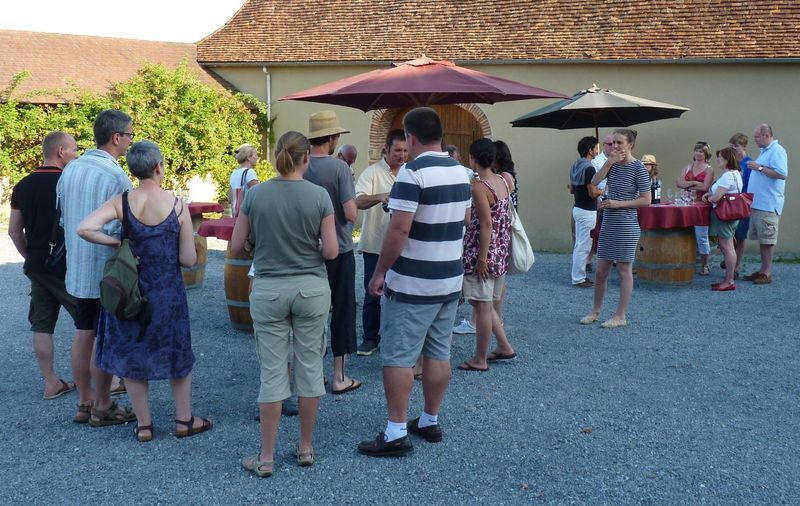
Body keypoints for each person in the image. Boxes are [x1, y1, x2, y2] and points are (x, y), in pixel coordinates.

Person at [77, 140, 210, 442]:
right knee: (176, 353)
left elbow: (84, 228)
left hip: (132, 291)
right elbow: (188, 259)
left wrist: (118, 244)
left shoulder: (122, 201)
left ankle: (145, 425)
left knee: (134, 352)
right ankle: (184, 420)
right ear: (159, 167)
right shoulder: (177, 205)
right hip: (168, 294)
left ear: (134, 170)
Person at [357, 107, 471, 457]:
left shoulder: (412, 172)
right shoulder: (461, 171)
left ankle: (394, 432)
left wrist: (379, 273)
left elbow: (400, 229)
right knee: (439, 351)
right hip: (448, 278)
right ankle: (429, 419)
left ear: (411, 137)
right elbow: (464, 218)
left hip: (412, 281)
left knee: (399, 355)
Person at [232, 131, 337, 477]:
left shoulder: (256, 194)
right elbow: (332, 251)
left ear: (276, 156)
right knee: (309, 368)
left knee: (272, 373)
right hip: (310, 287)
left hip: (269, 289)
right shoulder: (319, 195)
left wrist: (255, 247)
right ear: (306, 157)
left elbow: (235, 247)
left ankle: (266, 457)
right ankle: (305, 447)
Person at [57, 109, 136, 426]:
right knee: (104, 336)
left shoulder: (71, 169)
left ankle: (84, 401)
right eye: (129, 135)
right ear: (116, 137)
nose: (131, 141)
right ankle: (103, 405)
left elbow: (62, 217)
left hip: (76, 266)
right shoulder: (116, 176)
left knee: (83, 331)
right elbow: (123, 227)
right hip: (105, 270)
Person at [8, 131, 80, 400]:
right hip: (65, 266)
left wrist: (31, 257)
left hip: (37, 265)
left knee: (41, 325)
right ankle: (106, 382)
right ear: (61, 152)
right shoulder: (69, 184)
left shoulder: (23, 185)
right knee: (88, 322)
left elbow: (14, 231)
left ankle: (51, 383)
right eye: (73, 149)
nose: (76, 154)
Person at [303, 110, 361, 394]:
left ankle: (312, 374)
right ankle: (339, 376)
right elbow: (351, 213)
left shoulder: (299, 166)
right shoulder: (339, 169)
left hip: (306, 251)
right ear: (334, 138)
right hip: (338, 248)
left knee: (311, 314)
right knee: (342, 310)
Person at [581, 129, 651, 329]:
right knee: (601, 270)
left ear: (630, 145)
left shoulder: (639, 168)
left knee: (623, 270)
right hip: (609, 222)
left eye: (620, 143)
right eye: (612, 143)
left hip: (627, 224)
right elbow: (594, 182)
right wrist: (609, 162)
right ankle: (595, 311)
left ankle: (620, 315)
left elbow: (646, 200)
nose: (615, 147)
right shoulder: (612, 165)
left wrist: (618, 203)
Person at [458, 139, 516, 372]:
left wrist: (481, 258)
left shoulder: (479, 187)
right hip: (501, 249)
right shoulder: (504, 180)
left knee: (481, 305)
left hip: (483, 250)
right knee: (486, 303)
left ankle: (480, 358)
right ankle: (503, 345)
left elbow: (485, 224)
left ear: (472, 158)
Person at [354, 129, 407, 356]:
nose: (402, 155)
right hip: (376, 244)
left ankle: (398, 339)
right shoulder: (372, 173)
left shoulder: (410, 172)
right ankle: (370, 338)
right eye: (397, 150)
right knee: (372, 293)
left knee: (403, 294)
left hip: (403, 245)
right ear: (386, 148)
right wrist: (381, 196)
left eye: (406, 150)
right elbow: (357, 201)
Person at [743, 124, 789, 284]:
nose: (754, 139)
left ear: (766, 135)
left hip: (768, 204)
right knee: (763, 240)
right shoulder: (765, 151)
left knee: (768, 240)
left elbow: (782, 174)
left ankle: (767, 273)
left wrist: (759, 167)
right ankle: (763, 270)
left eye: (756, 136)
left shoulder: (777, 150)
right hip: (759, 203)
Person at [701, 147, 744, 291]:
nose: (718, 160)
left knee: (727, 248)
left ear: (727, 159)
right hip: (731, 215)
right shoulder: (736, 174)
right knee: (729, 246)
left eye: (720, 157)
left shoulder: (727, 176)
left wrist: (708, 197)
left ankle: (729, 280)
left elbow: (717, 197)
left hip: (723, 216)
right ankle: (729, 279)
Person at [676, 141, 714, 275]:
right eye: (697, 150)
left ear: (706, 154)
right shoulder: (687, 167)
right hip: (686, 203)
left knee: (702, 236)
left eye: (701, 151)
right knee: (682, 233)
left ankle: (705, 265)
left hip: (701, 205)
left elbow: (705, 187)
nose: (698, 153)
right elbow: (678, 183)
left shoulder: (709, 169)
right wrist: (693, 182)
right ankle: (683, 261)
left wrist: (686, 185)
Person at [569, 136, 601, 288]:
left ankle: (578, 276)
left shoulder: (575, 165)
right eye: (596, 148)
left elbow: (571, 189)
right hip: (587, 210)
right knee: (584, 245)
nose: (597, 151)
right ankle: (578, 278)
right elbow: (592, 193)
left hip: (577, 208)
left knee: (579, 245)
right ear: (590, 150)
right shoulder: (589, 168)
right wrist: (603, 190)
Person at [729, 132, 753, 278]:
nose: (734, 148)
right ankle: (731, 260)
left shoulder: (749, 163)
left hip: (743, 202)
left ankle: (737, 266)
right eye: (732, 145)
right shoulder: (731, 161)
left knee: (741, 235)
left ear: (743, 146)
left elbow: (750, 185)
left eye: (736, 146)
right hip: (731, 202)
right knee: (730, 234)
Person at [228, 143, 259, 217]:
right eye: (255, 155)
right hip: (247, 215)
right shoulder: (249, 172)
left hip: (236, 215)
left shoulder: (234, 173)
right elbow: (257, 195)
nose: (257, 158)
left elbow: (229, 198)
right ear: (248, 157)